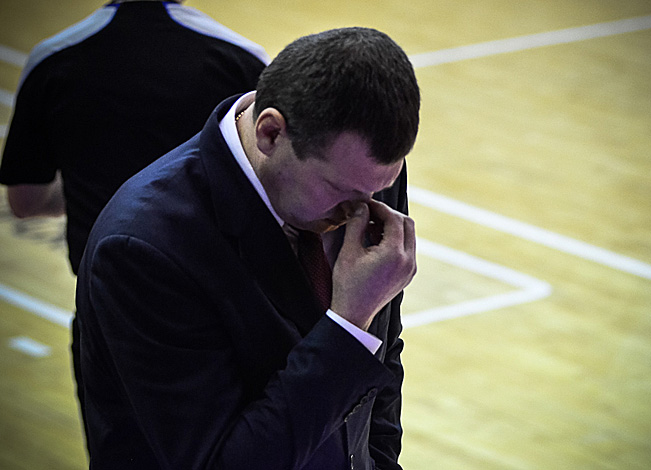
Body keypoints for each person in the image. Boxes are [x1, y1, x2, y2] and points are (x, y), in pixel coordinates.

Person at [75, 26, 420, 469]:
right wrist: (349, 325)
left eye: (381, 186)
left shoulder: (361, 175)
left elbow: (382, 365)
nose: (360, 210)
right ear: (270, 133)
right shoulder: (144, 248)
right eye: (340, 190)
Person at [0, 0, 268, 442]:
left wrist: (101, 191)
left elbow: (26, 200)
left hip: (106, 315)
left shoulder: (54, 57)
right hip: (221, 317)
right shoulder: (240, 57)